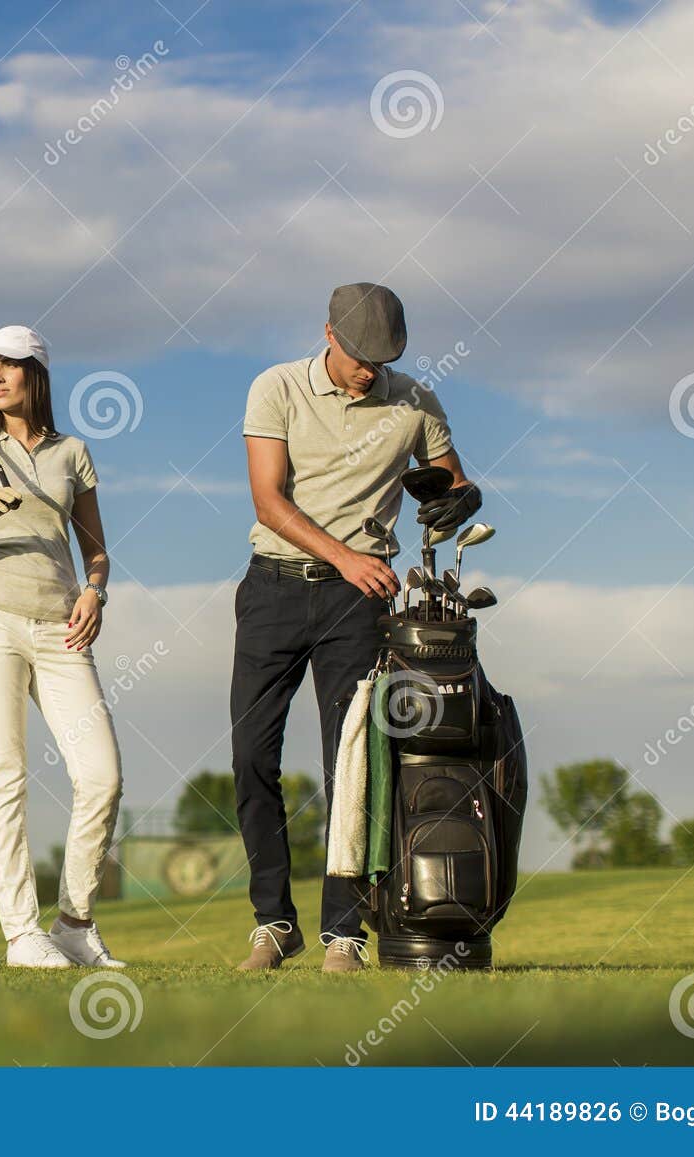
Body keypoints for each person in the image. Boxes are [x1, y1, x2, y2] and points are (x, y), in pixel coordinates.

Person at [232, 283, 481, 973]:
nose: (370, 368)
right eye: (359, 354)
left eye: (384, 356)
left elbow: (450, 481)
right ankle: (273, 922)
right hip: (273, 589)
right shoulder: (276, 387)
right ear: (329, 334)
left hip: (359, 605)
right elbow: (268, 497)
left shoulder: (415, 401)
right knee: (252, 754)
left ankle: (346, 932)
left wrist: (454, 502)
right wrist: (344, 555)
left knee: (351, 765)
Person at [0, 324, 126, 970]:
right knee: (4, 777)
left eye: (9, 364)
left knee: (101, 774)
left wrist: (95, 591)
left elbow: (96, 549)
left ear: (36, 374)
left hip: (61, 629)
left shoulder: (73, 452)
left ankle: (73, 923)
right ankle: (22, 934)